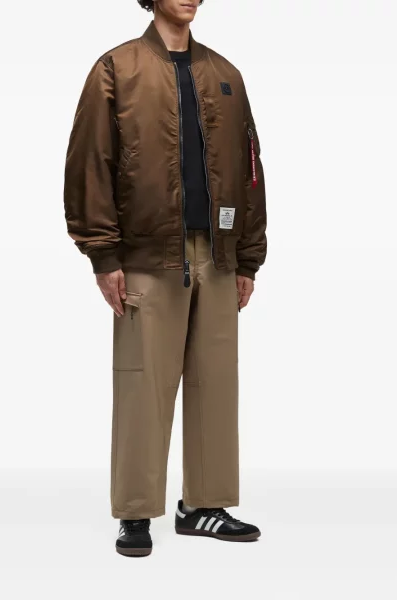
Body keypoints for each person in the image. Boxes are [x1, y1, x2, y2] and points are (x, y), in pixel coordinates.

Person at [63, 0, 267, 558]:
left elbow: (251, 168)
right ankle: (135, 511)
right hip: (147, 257)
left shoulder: (226, 74)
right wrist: (104, 255)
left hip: (218, 257)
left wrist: (248, 257)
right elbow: (90, 163)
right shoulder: (116, 68)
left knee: (216, 384)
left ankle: (203, 505)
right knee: (142, 384)